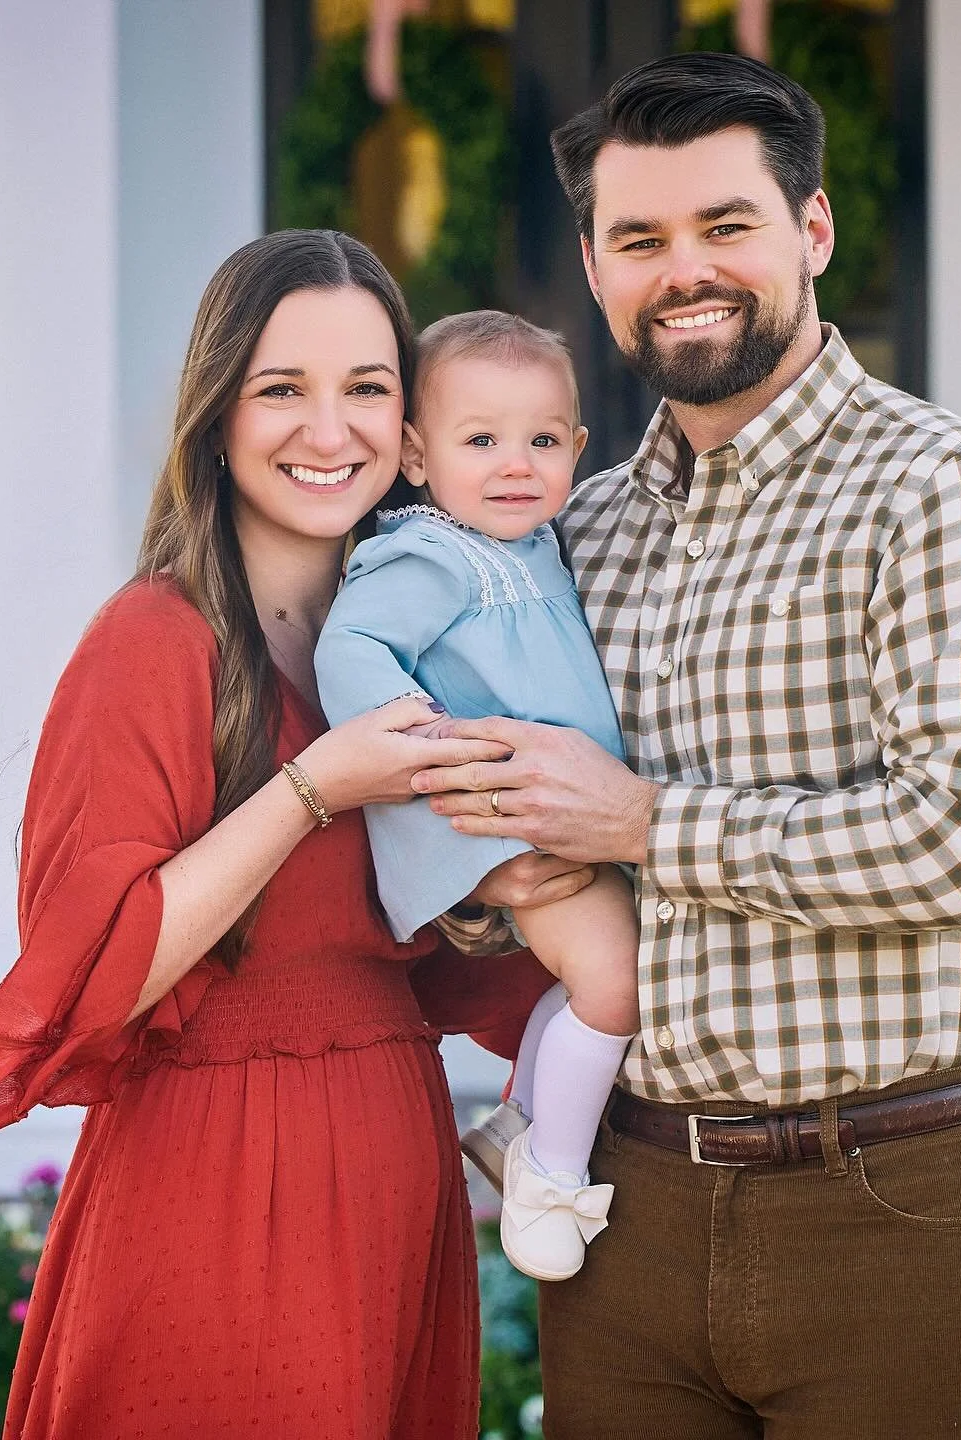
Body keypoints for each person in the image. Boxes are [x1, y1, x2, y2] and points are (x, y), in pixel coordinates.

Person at [412, 52, 961, 1440]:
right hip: (626, 1210)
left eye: (726, 224)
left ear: (813, 229)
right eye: (639, 239)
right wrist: (492, 882)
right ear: (595, 268)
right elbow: (507, 814)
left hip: (896, 1198)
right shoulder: (570, 535)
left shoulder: (951, 494)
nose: (685, 271)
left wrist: (641, 823)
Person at [0, 229, 568, 1439]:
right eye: (282, 389)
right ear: (218, 415)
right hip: (212, 1177)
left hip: (391, 1165)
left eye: (365, 388)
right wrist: (313, 788)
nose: (329, 431)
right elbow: (99, 976)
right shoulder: (152, 641)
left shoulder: (436, 644)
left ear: (410, 425)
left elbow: (455, 954)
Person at [315, 310, 639, 1284]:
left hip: (563, 814)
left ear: (577, 448)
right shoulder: (430, 556)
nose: (515, 465)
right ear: (417, 455)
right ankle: (552, 1175)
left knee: (580, 984)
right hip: (505, 817)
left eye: (542, 440)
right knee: (618, 985)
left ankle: (517, 1127)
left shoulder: (539, 546)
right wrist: (431, 747)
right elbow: (351, 648)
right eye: (481, 440)